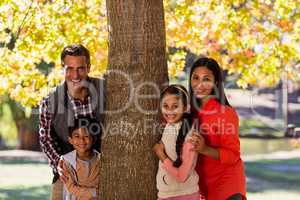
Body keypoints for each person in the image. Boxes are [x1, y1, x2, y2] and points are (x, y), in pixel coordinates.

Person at [39, 44, 105, 200]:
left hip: (101, 172)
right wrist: (59, 164)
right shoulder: (50, 101)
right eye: (69, 68)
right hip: (68, 173)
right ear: (63, 68)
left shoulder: (105, 89)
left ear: (88, 67)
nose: (75, 75)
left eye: (80, 68)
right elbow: (46, 139)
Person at [188, 57, 246, 200]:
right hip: (201, 187)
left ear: (216, 82)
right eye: (195, 78)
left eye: (206, 79)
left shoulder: (226, 113)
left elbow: (233, 156)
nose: (199, 84)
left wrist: (204, 149)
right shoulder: (189, 113)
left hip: (227, 186)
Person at [153, 84, 201, 200]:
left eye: (175, 106)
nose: (169, 111)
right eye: (165, 106)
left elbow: (181, 176)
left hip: (184, 195)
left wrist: (162, 155)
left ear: (185, 108)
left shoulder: (190, 137)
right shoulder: (170, 126)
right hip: (167, 194)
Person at [60, 117, 101, 200]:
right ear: (70, 140)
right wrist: (95, 192)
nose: (81, 140)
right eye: (77, 136)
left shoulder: (101, 160)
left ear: (94, 139)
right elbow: (71, 188)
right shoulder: (66, 161)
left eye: (86, 136)